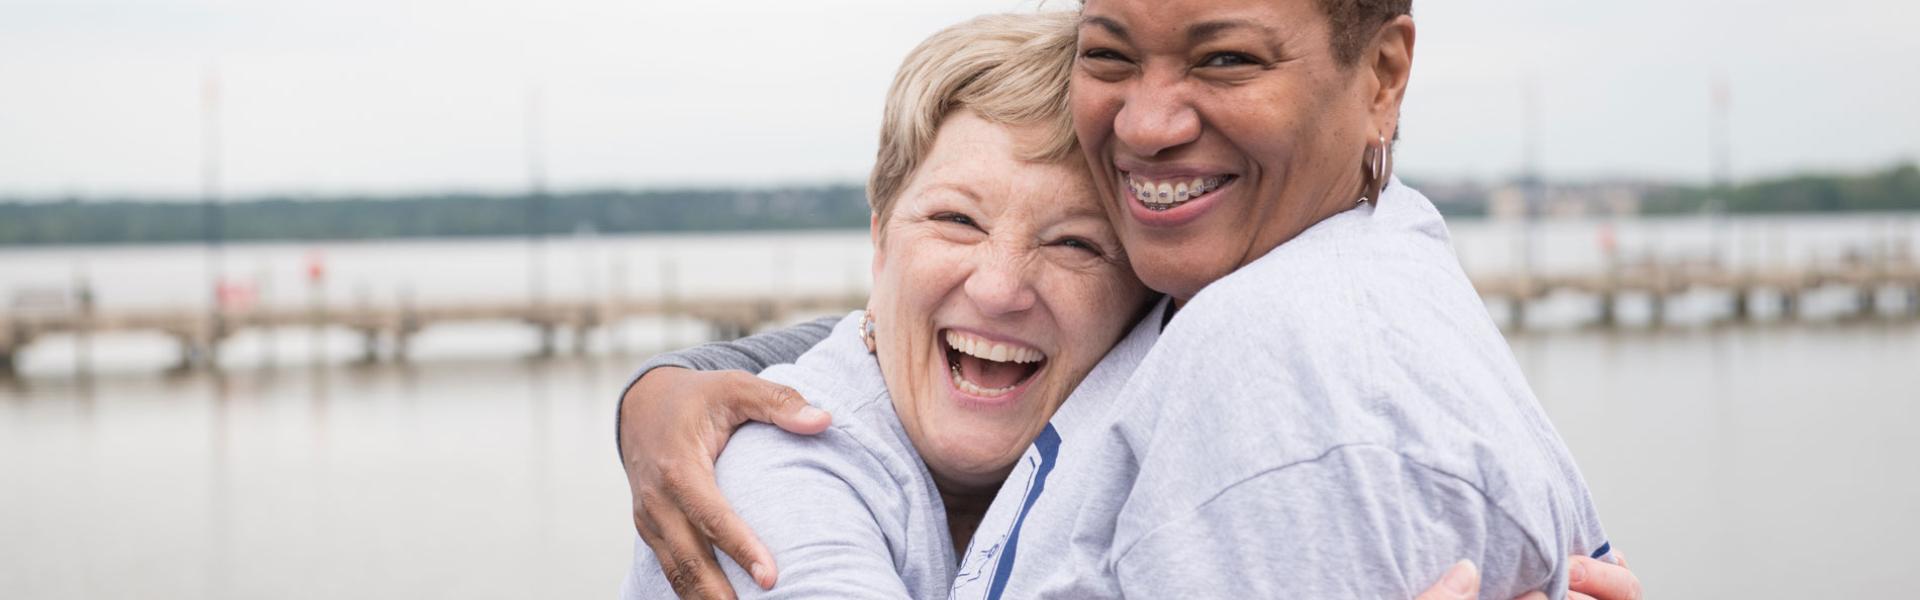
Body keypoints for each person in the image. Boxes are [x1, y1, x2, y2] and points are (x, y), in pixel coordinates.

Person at [620, 2, 1645, 599]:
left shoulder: (1218, 349)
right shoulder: (771, 479)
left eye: (1074, 244)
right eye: (955, 223)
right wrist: (670, 387)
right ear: (879, 238)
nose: (1001, 286)